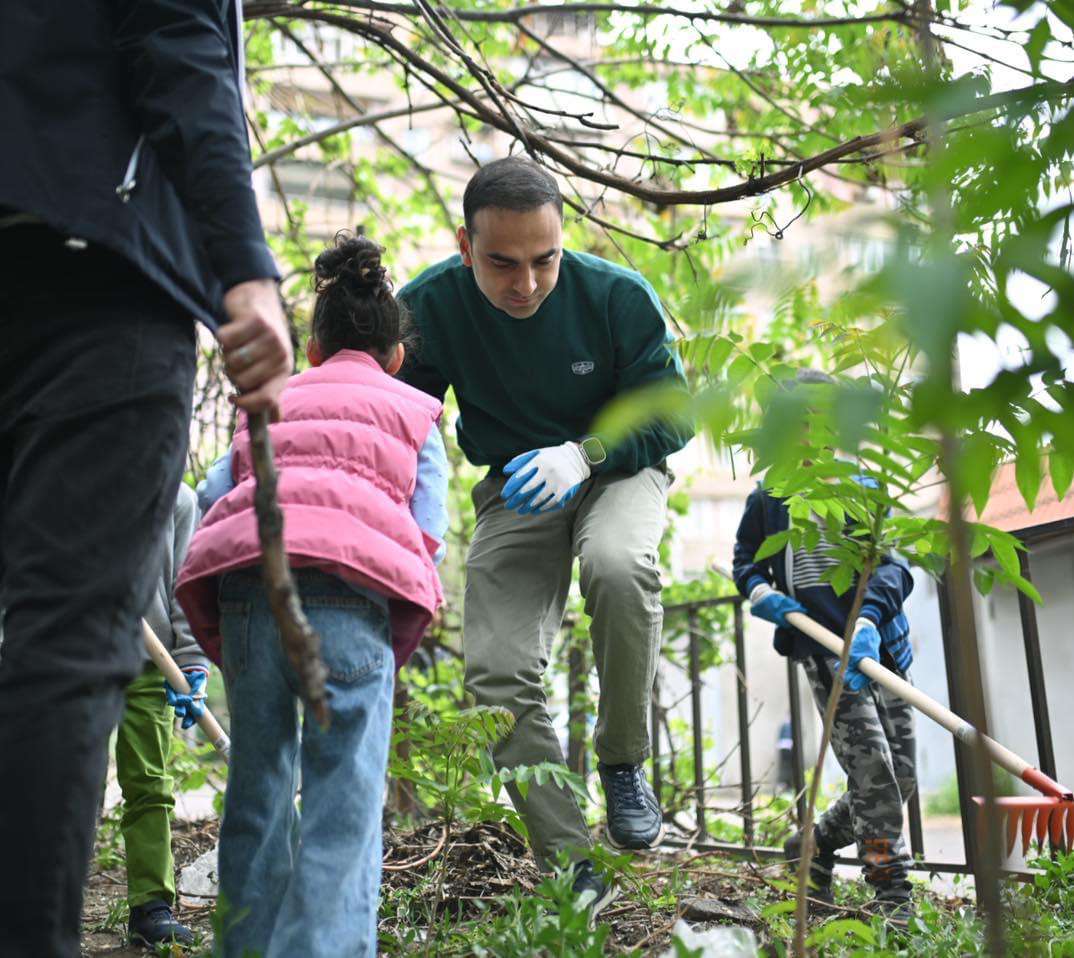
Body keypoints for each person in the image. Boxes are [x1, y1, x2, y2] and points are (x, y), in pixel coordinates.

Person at [0, 4, 292, 955]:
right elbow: (179, 52)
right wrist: (245, 271)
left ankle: (148, 904)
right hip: (91, 277)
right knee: (63, 650)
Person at [398, 156, 691, 911]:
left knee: (619, 565)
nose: (525, 283)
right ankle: (570, 863)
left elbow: (674, 414)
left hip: (618, 470)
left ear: (564, 241)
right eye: (501, 263)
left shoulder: (617, 297)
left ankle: (623, 760)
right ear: (465, 247)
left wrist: (586, 452)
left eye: (543, 260)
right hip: (517, 490)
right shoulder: (429, 307)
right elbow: (391, 420)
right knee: (494, 670)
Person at [177, 234, 449, 958]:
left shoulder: (270, 400)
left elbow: (215, 496)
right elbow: (427, 539)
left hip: (252, 594)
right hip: (350, 604)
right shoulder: (415, 413)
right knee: (343, 806)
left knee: (258, 791)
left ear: (314, 349)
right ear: (396, 355)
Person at [731, 375, 917, 924]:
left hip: (881, 651)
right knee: (874, 776)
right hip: (826, 657)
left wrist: (870, 621)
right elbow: (745, 560)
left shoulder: (863, 489)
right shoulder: (769, 498)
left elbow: (894, 565)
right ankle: (891, 892)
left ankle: (809, 845)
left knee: (900, 774)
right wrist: (762, 592)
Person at [114, 483, 207, 947]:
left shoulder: (177, 497)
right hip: (68, 655)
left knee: (150, 785)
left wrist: (191, 663)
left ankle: (151, 904)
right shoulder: (61, 469)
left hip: (149, 665)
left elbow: (185, 585)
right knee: (60, 780)